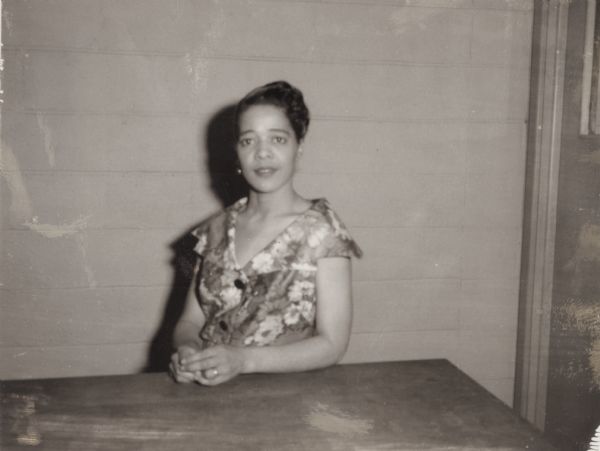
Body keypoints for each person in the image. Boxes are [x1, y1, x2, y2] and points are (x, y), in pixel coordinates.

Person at [170, 81, 362, 386]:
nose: (262, 153)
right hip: (207, 392)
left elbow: (332, 345)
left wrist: (244, 361)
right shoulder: (215, 229)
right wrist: (189, 351)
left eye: (277, 139)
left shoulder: (323, 232)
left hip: (285, 400)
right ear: (237, 153)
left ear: (299, 146)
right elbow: (190, 321)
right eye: (248, 141)